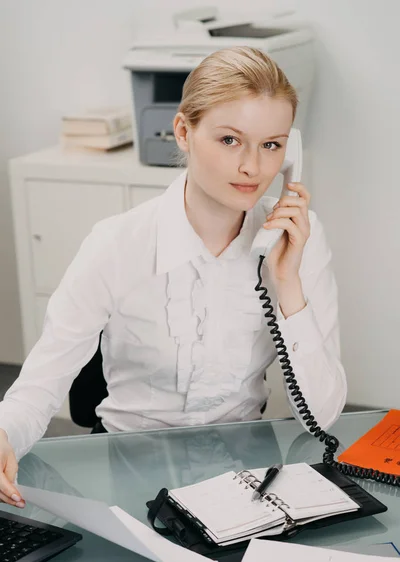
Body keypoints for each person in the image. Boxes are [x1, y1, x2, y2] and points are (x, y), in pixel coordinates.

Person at [0, 46, 347, 510]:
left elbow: (322, 417)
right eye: (229, 140)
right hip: (127, 477)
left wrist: (287, 284)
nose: (253, 167)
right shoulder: (116, 244)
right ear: (184, 132)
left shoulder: (299, 237)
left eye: (271, 145)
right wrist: (4, 433)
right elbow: (40, 385)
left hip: (243, 482)